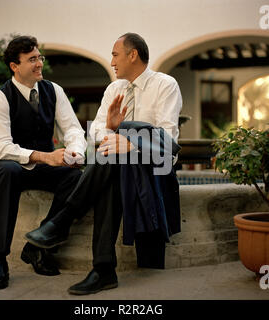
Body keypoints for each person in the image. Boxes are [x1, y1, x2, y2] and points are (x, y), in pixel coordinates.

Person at [25, 32, 183, 295]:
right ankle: (102, 268)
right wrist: (112, 128)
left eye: (115, 55)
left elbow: (169, 143)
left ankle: (66, 226)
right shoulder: (114, 89)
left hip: (155, 168)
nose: (111, 62)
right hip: (118, 166)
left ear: (133, 55)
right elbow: (95, 133)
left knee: (113, 157)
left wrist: (132, 144)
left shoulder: (165, 85)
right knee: (112, 164)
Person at [0, 35, 86, 290]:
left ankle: (37, 245)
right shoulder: (0, 97)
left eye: (39, 57)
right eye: (32, 59)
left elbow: (73, 129)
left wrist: (74, 153)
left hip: (45, 165)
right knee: (7, 171)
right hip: (12, 163)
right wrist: (44, 156)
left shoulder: (54, 90)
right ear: (14, 66)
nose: (39, 63)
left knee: (78, 177)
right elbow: (1, 147)